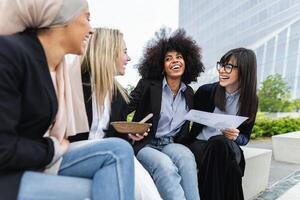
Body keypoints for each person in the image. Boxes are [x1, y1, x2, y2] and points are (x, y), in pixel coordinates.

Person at [0, 1, 134, 200]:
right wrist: (52, 148)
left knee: (119, 150)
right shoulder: (9, 53)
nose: (91, 30)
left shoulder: (56, 68)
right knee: (101, 189)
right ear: (62, 19)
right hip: (9, 175)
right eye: (87, 18)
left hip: (33, 158)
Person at [69, 27, 162, 200]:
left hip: (109, 155)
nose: (129, 58)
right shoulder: (73, 85)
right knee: (121, 156)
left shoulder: (119, 96)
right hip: (75, 155)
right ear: (108, 52)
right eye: (124, 52)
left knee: (146, 190)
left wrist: (131, 136)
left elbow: (116, 138)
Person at [128, 29, 204, 200]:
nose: (174, 61)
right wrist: (128, 130)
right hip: (145, 144)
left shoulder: (189, 93)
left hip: (171, 143)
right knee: (165, 167)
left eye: (179, 57)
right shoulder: (148, 85)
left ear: (187, 61)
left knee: (187, 158)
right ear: (161, 65)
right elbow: (124, 108)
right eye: (168, 58)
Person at [187, 48, 258, 200]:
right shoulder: (206, 91)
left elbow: (245, 139)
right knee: (226, 160)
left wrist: (236, 137)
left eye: (229, 67)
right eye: (222, 65)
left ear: (245, 71)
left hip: (229, 146)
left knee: (220, 142)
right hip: (201, 145)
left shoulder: (251, 100)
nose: (222, 71)